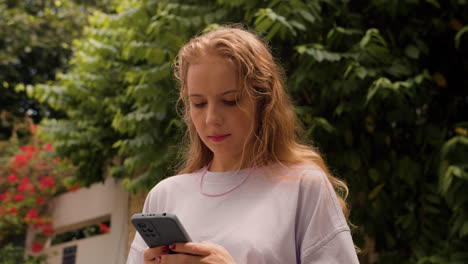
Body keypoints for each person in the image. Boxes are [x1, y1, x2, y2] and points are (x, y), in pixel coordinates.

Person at [126, 25, 359, 264]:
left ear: (263, 100)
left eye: (230, 101)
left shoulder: (304, 187)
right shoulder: (165, 195)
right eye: (198, 103)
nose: (211, 119)